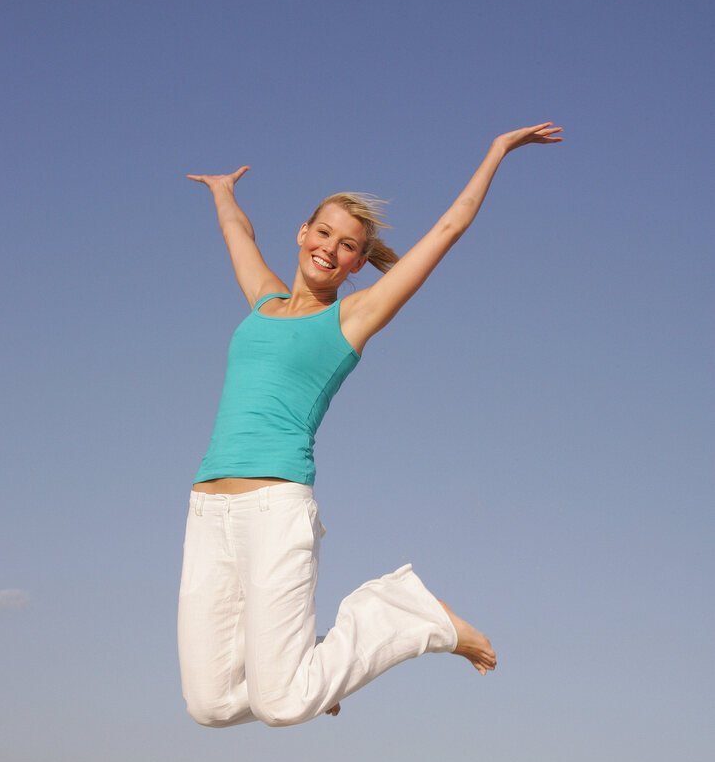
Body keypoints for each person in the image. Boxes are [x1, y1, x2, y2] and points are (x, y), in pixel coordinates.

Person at [178, 122, 562, 728]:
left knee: (279, 705)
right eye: (323, 232)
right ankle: (312, 673)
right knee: (210, 704)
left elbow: (449, 229)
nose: (331, 247)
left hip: (275, 507)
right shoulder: (263, 302)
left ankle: (407, 613)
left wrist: (496, 151)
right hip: (207, 510)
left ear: (359, 263)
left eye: (349, 245)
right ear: (303, 234)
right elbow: (237, 233)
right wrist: (223, 190)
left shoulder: (351, 320)